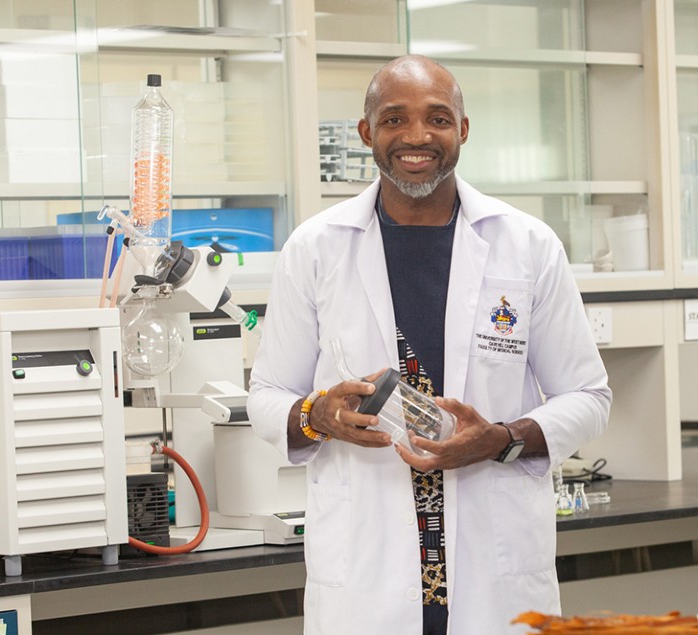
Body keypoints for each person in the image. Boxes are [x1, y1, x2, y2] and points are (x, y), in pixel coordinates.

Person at [246, 54, 612, 635]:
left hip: (493, 563)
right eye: (395, 119)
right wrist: (317, 416)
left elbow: (588, 396)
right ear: (367, 132)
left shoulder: (527, 246)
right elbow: (266, 394)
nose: (417, 137)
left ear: (462, 130)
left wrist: (499, 440)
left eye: (437, 118)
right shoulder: (316, 248)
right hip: (366, 566)